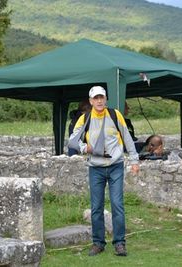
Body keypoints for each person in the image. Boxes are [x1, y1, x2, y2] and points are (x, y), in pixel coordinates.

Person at [68, 85, 139, 257]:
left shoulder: (115, 115)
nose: (99, 101)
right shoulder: (84, 118)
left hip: (116, 166)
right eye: (96, 98)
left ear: (105, 99)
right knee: (96, 207)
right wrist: (85, 148)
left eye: (102, 97)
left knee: (117, 205)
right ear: (91, 101)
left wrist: (135, 159)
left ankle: (120, 243)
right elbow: (72, 141)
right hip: (95, 168)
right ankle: (98, 243)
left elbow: (127, 138)